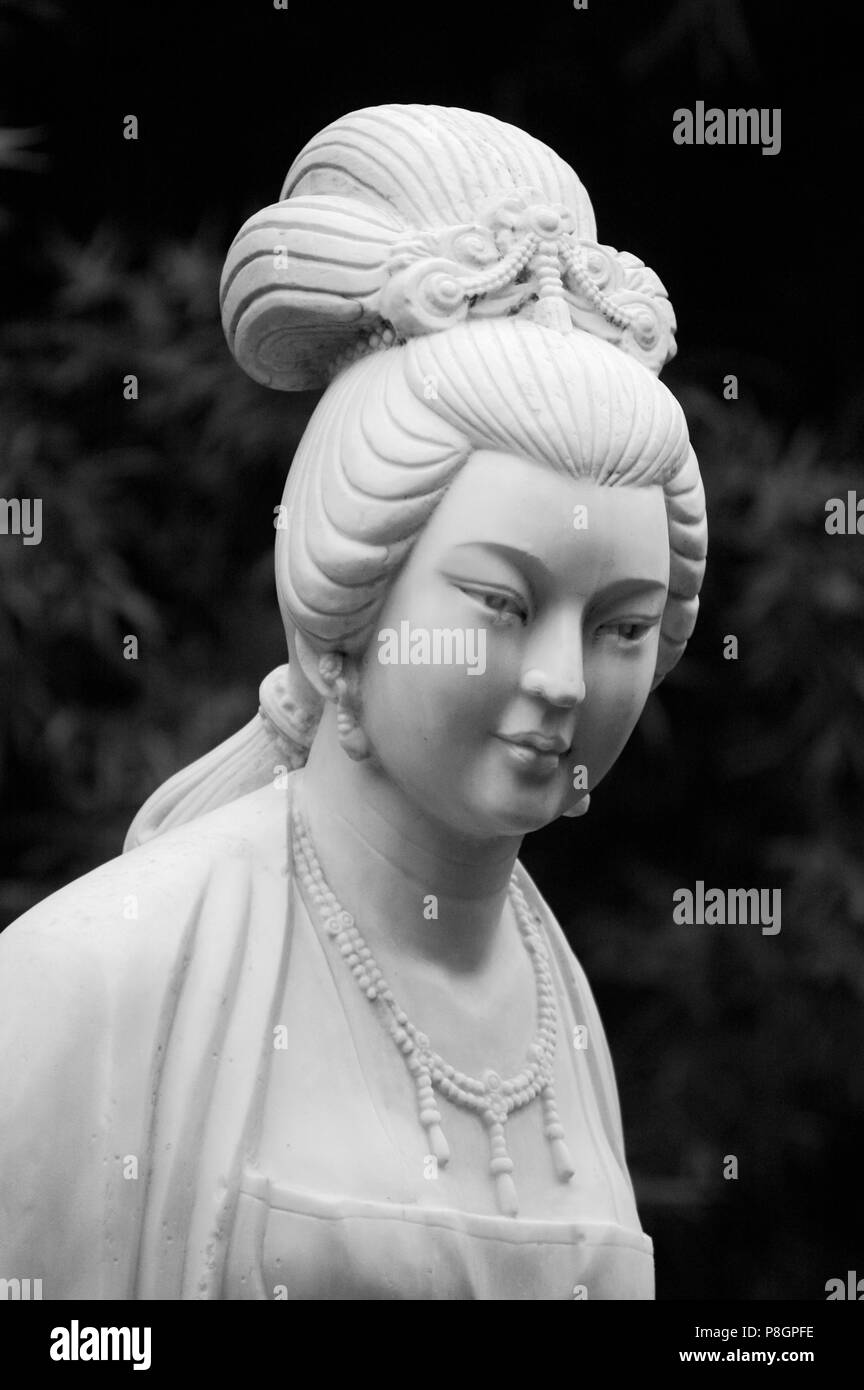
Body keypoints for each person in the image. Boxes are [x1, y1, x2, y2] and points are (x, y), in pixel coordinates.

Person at [0, 104, 707, 1300]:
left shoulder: (557, 1003)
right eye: (498, 601)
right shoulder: (92, 978)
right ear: (349, 610)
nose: (563, 679)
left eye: (625, 626)